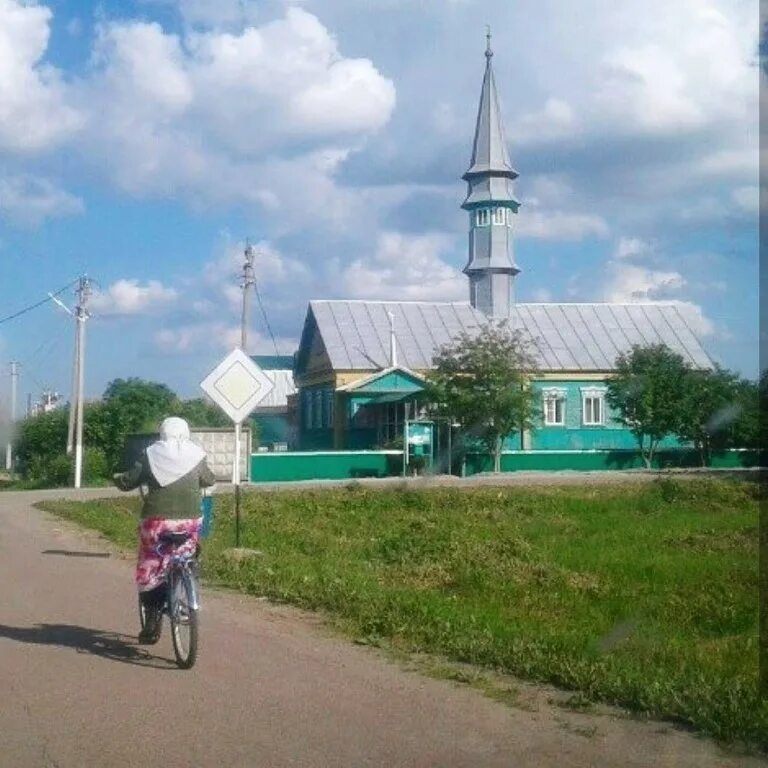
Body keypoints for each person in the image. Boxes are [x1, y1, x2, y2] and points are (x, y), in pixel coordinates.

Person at [113, 417, 215, 644]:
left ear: (162, 433)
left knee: (150, 566)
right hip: (189, 521)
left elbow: (129, 481)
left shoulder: (150, 454)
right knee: (187, 553)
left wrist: (118, 478)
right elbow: (209, 479)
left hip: (157, 522)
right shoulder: (196, 454)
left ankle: (151, 622)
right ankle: (187, 582)